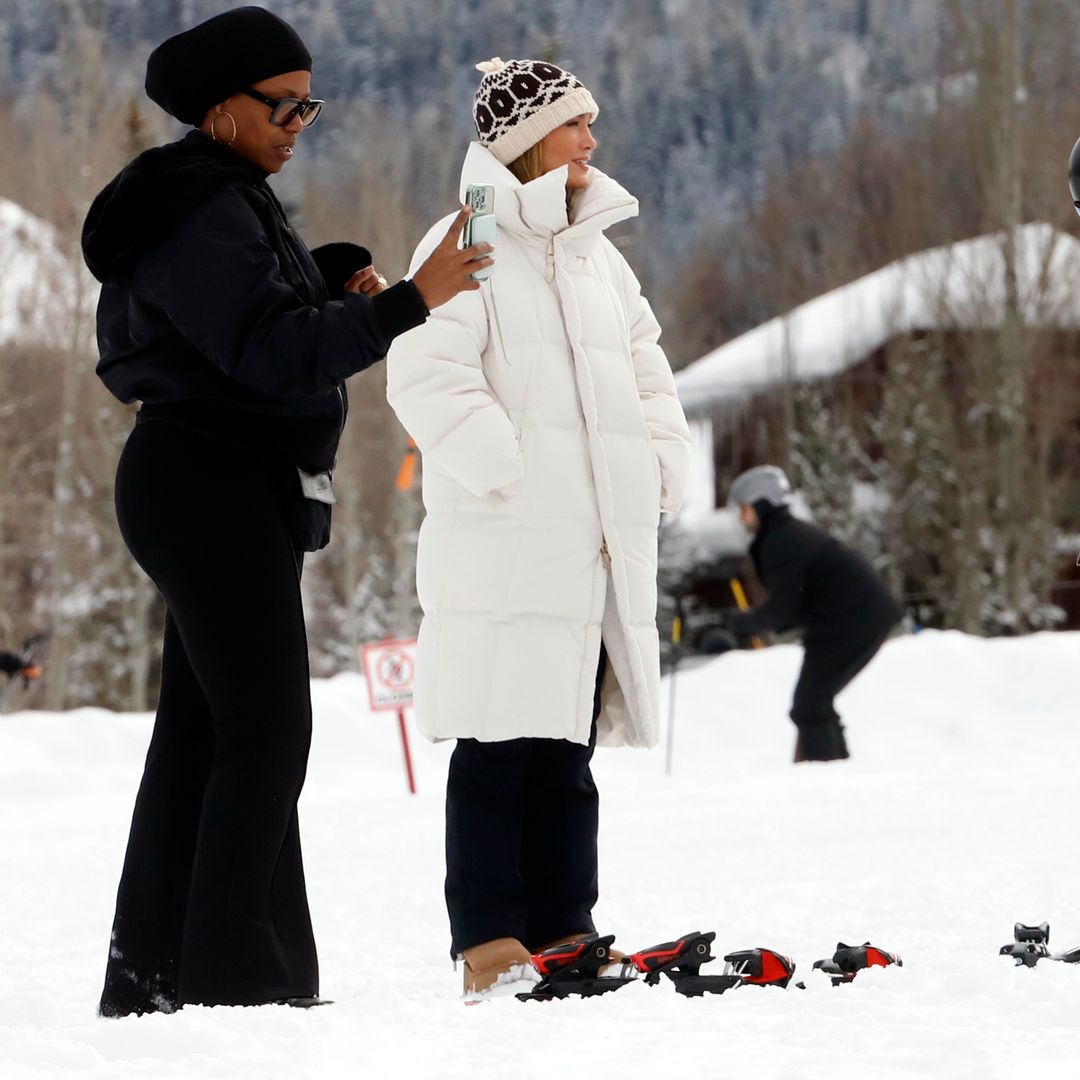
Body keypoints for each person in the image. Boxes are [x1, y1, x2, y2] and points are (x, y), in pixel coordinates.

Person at [81, 6, 490, 1018]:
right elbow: (266, 352)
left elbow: (235, 324)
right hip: (206, 482)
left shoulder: (222, 197)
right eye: (284, 103)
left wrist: (325, 275)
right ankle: (233, 982)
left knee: (209, 732)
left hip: (212, 478)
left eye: (311, 102)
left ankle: (157, 974)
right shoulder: (198, 208)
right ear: (222, 108)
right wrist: (405, 302)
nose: (302, 119)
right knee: (264, 733)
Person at [387, 57, 692, 997]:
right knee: (497, 744)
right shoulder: (467, 237)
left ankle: (567, 927)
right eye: (575, 126)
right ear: (524, 141)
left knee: (568, 748)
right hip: (508, 537)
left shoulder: (599, 255)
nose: (591, 142)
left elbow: (648, 365)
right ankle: (488, 943)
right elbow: (425, 375)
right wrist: (510, 472)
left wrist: (658, 465)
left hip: (594, 542)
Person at [722, 466, 903, 763]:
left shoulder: (780, 542)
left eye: (744, 509)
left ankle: (825, 776)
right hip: (848, 619)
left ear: (762, 506)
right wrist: (742, 624)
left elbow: (782, 609)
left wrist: (737, 625)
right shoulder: (784, 536)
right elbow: (794, 606)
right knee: (813, 702)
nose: (741, 518)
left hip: (853, 620)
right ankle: (835, 769)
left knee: (810, 703)